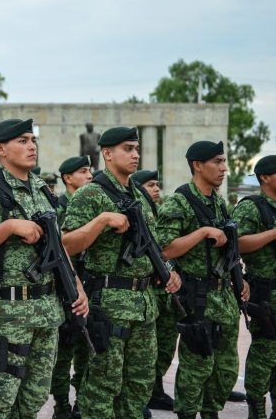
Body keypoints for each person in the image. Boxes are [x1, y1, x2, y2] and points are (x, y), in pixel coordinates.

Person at [0, 118, 89, 418]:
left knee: (34, 399)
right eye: (22, 141)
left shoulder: (41, 189)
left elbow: (57, 246)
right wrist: (9, 227)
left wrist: (76, 285)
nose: (31, 146)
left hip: (46, 311)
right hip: (6, 315)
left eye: (32, 140)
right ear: (1, 148)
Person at [62, 127, 181, 419]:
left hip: (143, 306)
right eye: (128, 148)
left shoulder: (139, 195)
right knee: (103, 384)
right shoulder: (91, 194)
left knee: (139, 385)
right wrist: (102, 221)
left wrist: (166, 271)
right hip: (109, 306)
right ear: (107, 153)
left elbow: (151, 245)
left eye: (136, 148)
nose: (135, 154)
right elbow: (65, 245)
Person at [156, 140, 249, 419]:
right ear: (198, 165)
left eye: (223, 161)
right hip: (197, 297)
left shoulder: (217, 202)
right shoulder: (179, 202)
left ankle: (211, 413)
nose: (223, 168)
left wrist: (239, 279)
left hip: (224, 296)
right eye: (217, 162)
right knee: (197, 367)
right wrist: (201, 232)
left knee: (226, 370)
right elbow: (164, 248)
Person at [230, 155, 276, 418]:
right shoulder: (251, 207)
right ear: (265, 177)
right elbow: (235, 243)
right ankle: (257, 407)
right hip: (266, 294)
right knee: (265, 352)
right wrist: (273, 234)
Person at [129, 170, 176, 412]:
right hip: (144, 292)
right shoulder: (137, 211)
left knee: (162, 348)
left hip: (159, 292)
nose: (156, 189)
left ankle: (154, 391)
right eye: (150, 185)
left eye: (158, 184)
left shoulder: (154, 213)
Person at [49, 155, 92, 419]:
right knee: (63, 354)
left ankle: (81, 404)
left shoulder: (90, 207)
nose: (89, 176)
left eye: (89, 171)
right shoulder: (57, 208)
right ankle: (61, 405)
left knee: (87, 351)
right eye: (83, 171)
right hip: (63, 290)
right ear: (68, 178)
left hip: (88, 287)